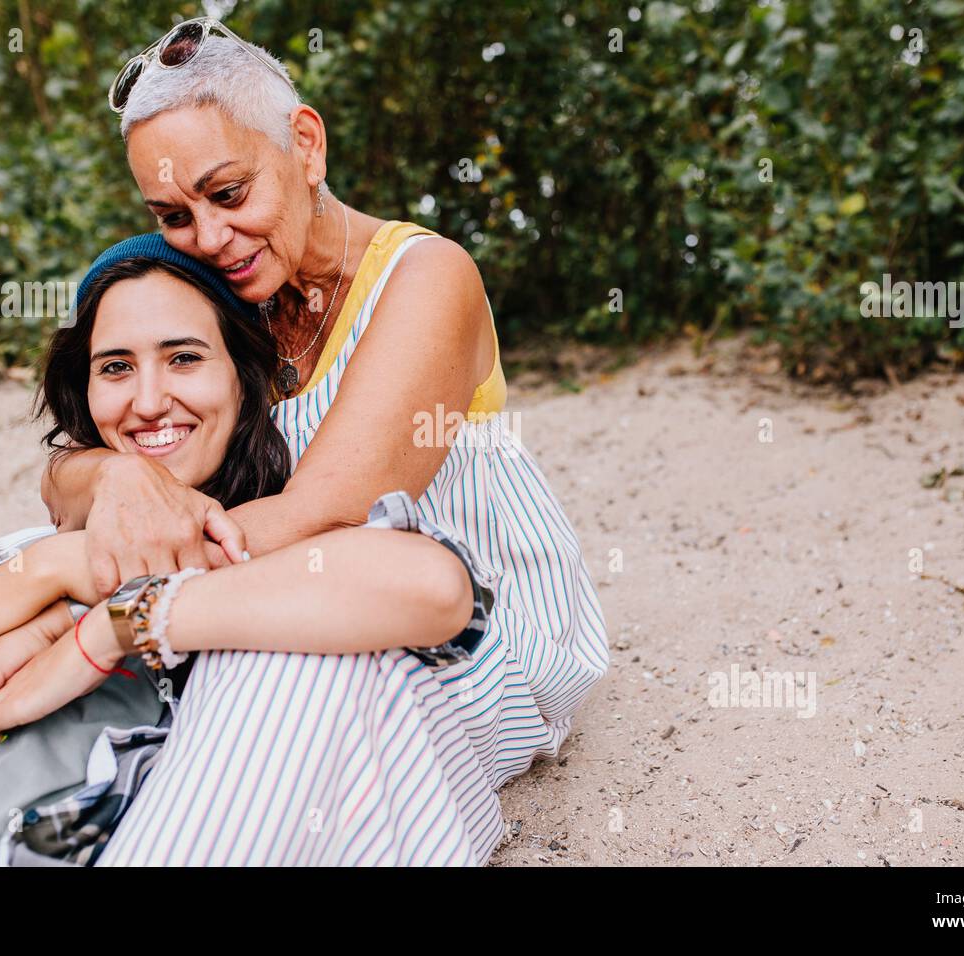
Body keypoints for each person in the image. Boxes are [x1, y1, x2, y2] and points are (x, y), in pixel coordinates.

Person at [39, 19, 609, 863]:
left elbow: (325, 513)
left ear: (305, 145)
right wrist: (116, 482)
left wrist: (80, 594)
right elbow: (68, 469)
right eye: (171, 214)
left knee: (298, 677)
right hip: (267, 588)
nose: (207, 237)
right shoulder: (219, 288)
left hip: (467, 615)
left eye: (229, 194)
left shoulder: (426, 275)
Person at [0, 241, 492, 865]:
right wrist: (62, 568)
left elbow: (430, 588)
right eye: (115, 367)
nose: (148, 401)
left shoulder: (284, 549)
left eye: (185, 358)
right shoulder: (38, 552)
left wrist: (93, 626)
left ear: (244, 377)